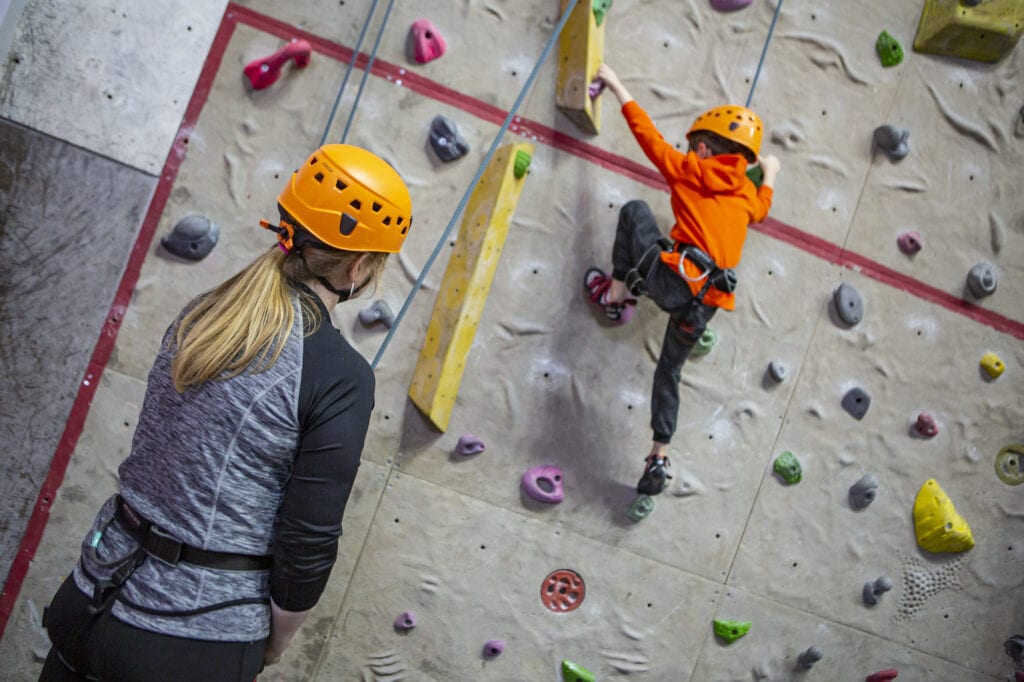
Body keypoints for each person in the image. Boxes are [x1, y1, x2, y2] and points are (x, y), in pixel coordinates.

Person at [39, 144, 413, 681]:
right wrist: (274, 644)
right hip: (188, 641)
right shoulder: (339, 374)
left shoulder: (205, 313)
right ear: (358, 265)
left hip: (92, 597)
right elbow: (306, 543)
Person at [586, 64, 781, 497]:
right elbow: (763, 207)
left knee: (636, 211)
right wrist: (769, 175)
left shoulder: (692, 170)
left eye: (694, 147)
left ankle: (618, 291)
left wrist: (617, 85)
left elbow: (647, 137)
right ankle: (659, 453)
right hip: (706, 303)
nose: (689, 153)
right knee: (669, 370)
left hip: (672, 281)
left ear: (707, 149)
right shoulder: (748, 195)